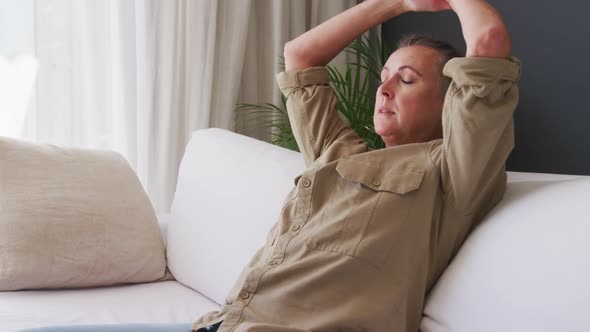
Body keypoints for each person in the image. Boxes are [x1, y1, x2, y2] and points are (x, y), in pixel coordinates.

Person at [21, 0, 520, 331]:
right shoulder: (340, 152)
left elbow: (490, 41)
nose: (383, 88)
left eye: (406, 80)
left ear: (451, 101)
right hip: (223, 322)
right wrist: (395, 4)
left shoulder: (451, 171)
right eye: (384, 76)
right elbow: (299, 56)